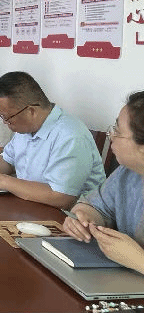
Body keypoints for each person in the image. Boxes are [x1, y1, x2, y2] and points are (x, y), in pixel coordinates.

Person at [0, 71, 105, 209]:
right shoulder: (25, 127)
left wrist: (3, 181)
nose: (5, 123)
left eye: (6, 117)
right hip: (30, 206)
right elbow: (8, 162)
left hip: (69, 218)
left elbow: (61, 197)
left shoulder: (70, 135)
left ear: (31, 111)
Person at [63, 91, 144, 274]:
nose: (111, 136)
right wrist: (83, 218)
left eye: (118, 131)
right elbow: (97, 206)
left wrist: (137, 260)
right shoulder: (127, 172)